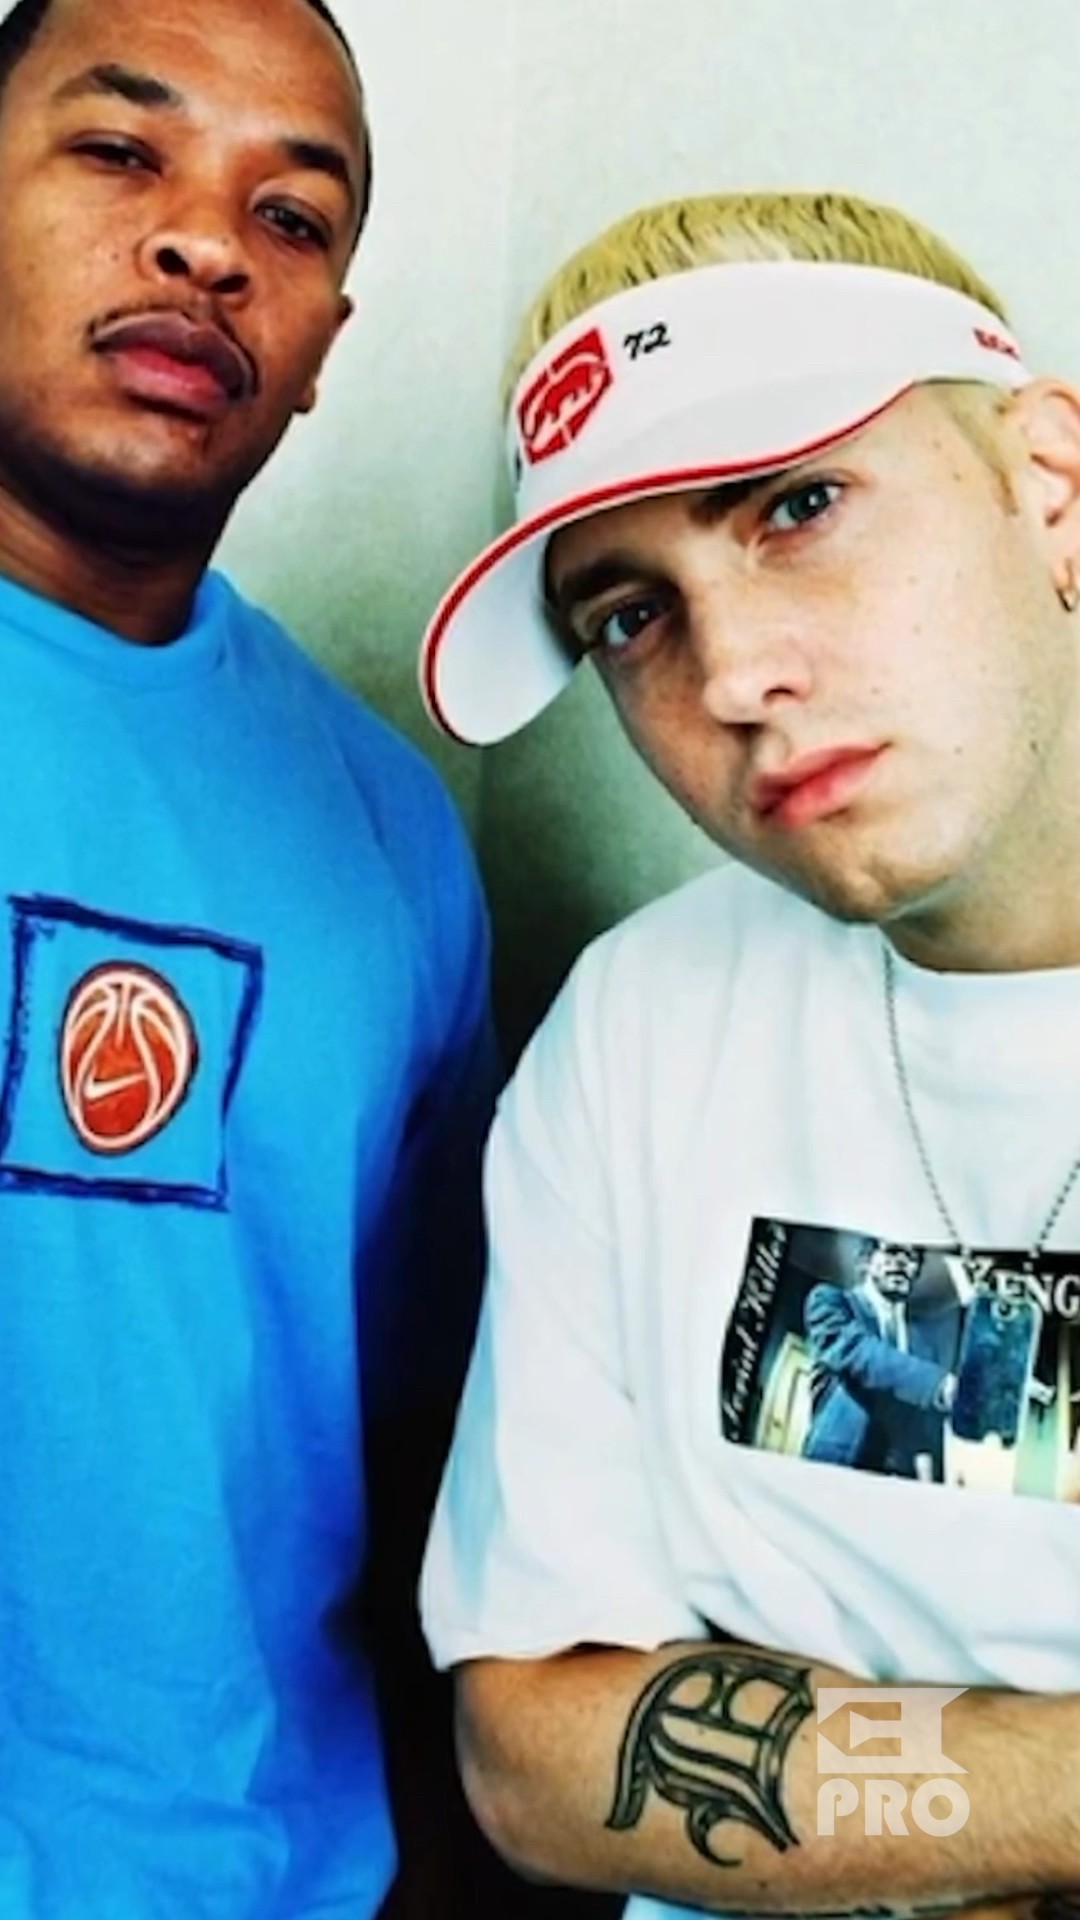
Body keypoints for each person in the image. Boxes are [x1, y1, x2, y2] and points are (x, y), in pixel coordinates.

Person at [418, 190, 1080, 1920]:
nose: (730, 675)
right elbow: (534, 1744)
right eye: (629, 614)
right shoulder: (644, 1023)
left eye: (798, 506)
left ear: (1050, 486)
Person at [0, 0, 494, 1915]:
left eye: (291, 217)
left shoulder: (390, 831)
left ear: (323, 349)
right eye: (122, 151)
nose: (208, 242)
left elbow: (417, 1434)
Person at [803, 1238, 958, 1475]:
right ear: (866, 1261)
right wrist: (939, 1385)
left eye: (912, 1256)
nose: (902, 1262)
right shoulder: (831, 1302)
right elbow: (857, 1352)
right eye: (892, 1251)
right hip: (837, 1466)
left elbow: (923, 1431)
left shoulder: (922, 1345)